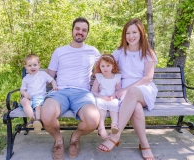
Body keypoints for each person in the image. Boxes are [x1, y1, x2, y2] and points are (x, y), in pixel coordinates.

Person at [40, 17, 101, 160]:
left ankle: (75, 137)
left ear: (87, 33)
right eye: (78, 29)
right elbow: (50, 75)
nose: (80, 32)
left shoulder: (93, 51)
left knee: (93, 120)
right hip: (60, 92)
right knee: (47, 114)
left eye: (84, 30)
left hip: (82, 94)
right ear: (72, 30)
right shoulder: (59, 51)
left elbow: (103, 71)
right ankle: (58, 140)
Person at [98, 18, 158, 160]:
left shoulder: (148, 53)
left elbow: (148, 78)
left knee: (132, 93)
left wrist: (125, 90)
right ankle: (144, 145)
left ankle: (115, 136)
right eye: (127, 33)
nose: (130, 36)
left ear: (141, 33)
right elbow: (107, 65)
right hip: (125, 92)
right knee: (136, 108)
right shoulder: (119, 52)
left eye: (134, 32)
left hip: (144, 89)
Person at [20, 54, 58, 132]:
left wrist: (54, 86)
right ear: (26, 67)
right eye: (29, 65)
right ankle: (32, 119)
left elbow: (52, 80)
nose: (32, 67)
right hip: (30, 97)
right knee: (24, 101)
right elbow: (22, 90)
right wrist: (25, 94)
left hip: (40, 97)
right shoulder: (26, 78)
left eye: (35, 65)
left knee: (38, 107)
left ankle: (37, 121)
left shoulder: (43, 74)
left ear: (39, 65)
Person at [91, 54, 121, 139]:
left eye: (108, 66)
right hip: (101, 97)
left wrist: (113, 96)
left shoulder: (117, 77)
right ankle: (101, 128)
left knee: (115, 104)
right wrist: (101, 97)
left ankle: (114, 125)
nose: (105, 68)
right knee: (101, 105)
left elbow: (118, 91)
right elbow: (93, 91)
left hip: (112, 97)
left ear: (113, 66)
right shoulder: (99, 77)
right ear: (99, 67)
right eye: (102, 66)